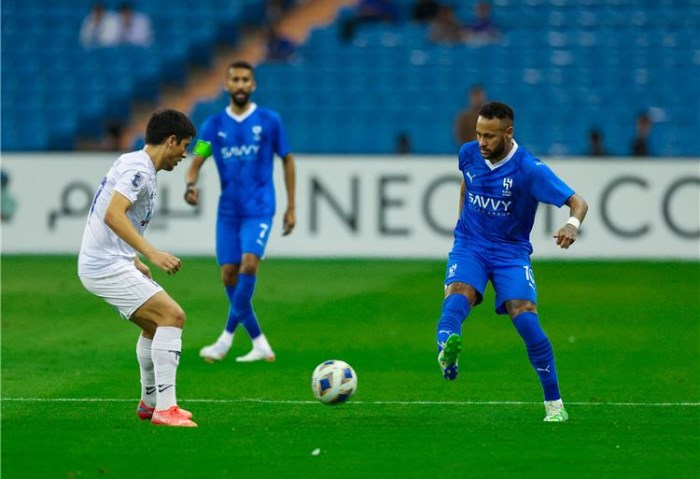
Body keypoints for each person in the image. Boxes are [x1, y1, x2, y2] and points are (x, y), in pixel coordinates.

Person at [435, 101, 588, 422]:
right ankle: (446, 352)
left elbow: (578, 203)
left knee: (526, 317)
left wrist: (571, 226)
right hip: (471, 244)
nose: (482, 143)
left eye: (489, 136)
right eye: (478, 135)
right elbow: (467, 182)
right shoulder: (468, 153)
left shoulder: (529, 169)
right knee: (457, 293)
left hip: (510, 251)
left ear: (508, 132)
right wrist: (462, 225)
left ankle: (554, 405)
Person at [78, 108, 198, 427]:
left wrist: (133, 259)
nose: (184, 154)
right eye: (184, 146)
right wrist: (152, 253)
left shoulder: (135, 164)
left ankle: (150, 404)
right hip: (104, 265)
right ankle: (165, 409)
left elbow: (110, 213)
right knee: (173, 316)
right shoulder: (139, 170)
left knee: (154, 326)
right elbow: (113, 215)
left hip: (108, 260)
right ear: (170, 141)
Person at [184, 61, 296, 364]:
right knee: (228, 274)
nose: (241, 84)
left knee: (248, 265)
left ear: (253, 85)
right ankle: (260, 343)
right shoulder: (212, 127)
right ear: (227, 85)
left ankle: (225, 339)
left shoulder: (269, 121)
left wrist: (291, 206)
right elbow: (197, 161)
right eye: (235, 79)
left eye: (246, 79)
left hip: (260, 207)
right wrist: (191, 184)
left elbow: (286, 159)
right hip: (229, 212)